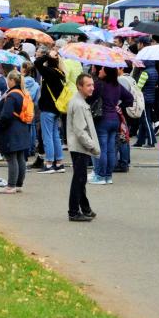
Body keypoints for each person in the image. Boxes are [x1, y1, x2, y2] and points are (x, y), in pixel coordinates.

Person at [90, 67, 133, 185]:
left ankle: (100, 175)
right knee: (110, 150)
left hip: (102, 119)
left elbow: (89, 97)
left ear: (107, 72)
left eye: (102, 69)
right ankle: (108, 176)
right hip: (115, 119)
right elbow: (130, 98)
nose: (100, 71)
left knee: (102, 149)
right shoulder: (117, 85)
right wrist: (119, 106)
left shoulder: (99, 85)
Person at [66, 73, 100, 222]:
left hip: (79, 146)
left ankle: (85, 208)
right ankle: (73, 211)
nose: (92, 88)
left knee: (81, 178)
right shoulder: (79, 104)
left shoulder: (80, 102)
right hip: (80, 146)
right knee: (79, 179)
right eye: (88, 85)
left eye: (92, 85)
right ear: (80, 86)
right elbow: (80, 130)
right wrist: (92, 146)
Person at [0, 71, 32, 194]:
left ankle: (11, 185)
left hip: (11, 130)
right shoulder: (23, 93)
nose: (7, 82)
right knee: (20, 158)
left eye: (8, 80)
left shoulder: (11, 96)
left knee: (11, 158)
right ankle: (19, 184)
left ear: (12, 81)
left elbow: (6, 115)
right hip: (22, 128)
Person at [34, 48, 67, 173]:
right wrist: (52, 57)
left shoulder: (48, 72)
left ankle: (49, 163)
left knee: (47, 136)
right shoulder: (61, 73)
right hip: (57, 108)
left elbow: (37, 63)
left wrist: (47, 55)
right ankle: (59, 163)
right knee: (55, 135)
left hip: (47, 107)